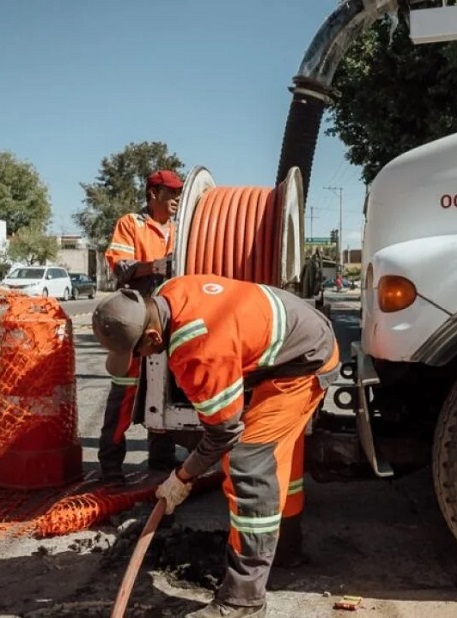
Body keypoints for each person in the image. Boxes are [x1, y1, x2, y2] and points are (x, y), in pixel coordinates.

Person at [91, 274, 339, 618]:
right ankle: (286, 550)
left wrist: (182, 476)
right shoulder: (165, 296)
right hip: (294, 340)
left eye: (139, 353)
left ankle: (244, 601)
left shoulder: (198, 349)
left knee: (248, 466)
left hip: (302, 362)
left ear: (151, 335)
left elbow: (224, 433)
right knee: (276, 458)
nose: (140, 360)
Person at [98, 169, 184, 483]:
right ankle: (110, 467)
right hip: (136, 323)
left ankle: (161, 461)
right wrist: (161, 265)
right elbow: (121, 268)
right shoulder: (131, 224)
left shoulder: (181, 228)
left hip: (169, 323)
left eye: (179, 193)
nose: (176, 199)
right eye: (171, 193)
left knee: (165, 391)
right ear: (153, 193)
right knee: (124, 393)